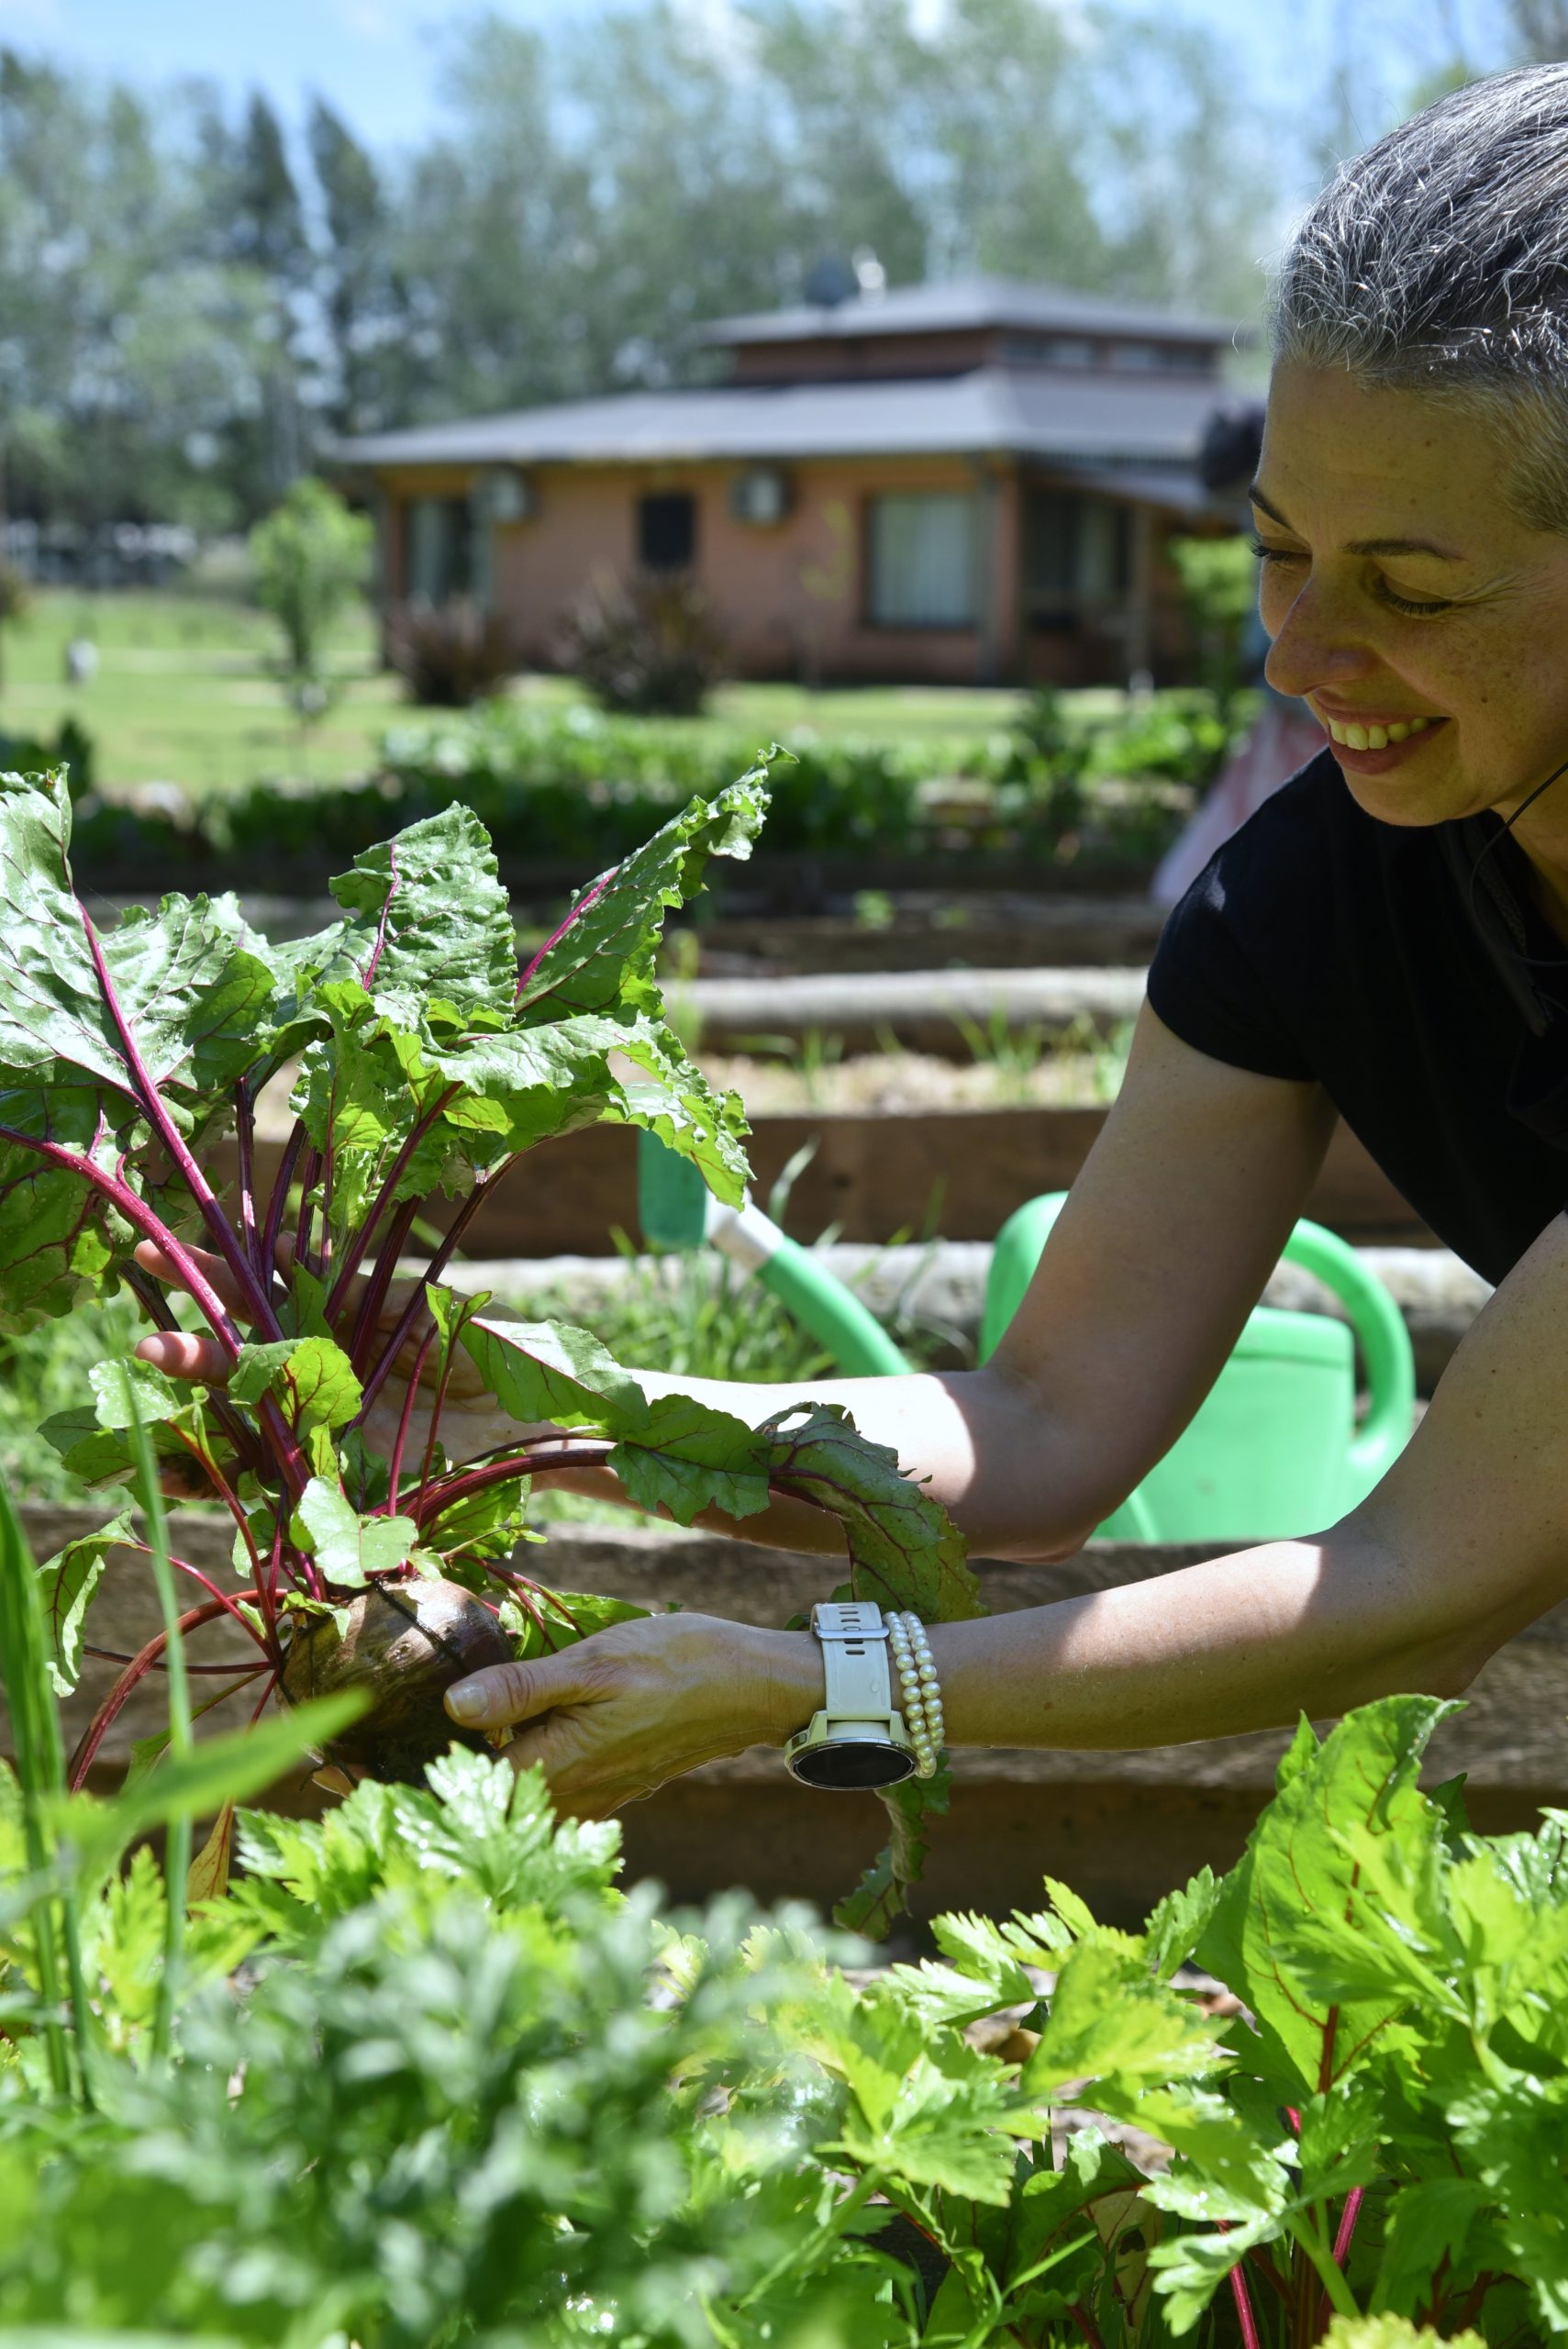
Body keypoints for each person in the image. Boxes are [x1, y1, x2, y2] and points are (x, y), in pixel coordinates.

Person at [139, 64, 1568, 1820]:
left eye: (1411, 593)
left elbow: (1416, 1587)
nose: (1296, 655)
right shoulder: (1313, 897)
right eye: (1276, 552)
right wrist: (517, 1411)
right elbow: (1041, 1424)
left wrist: (812, 1683)